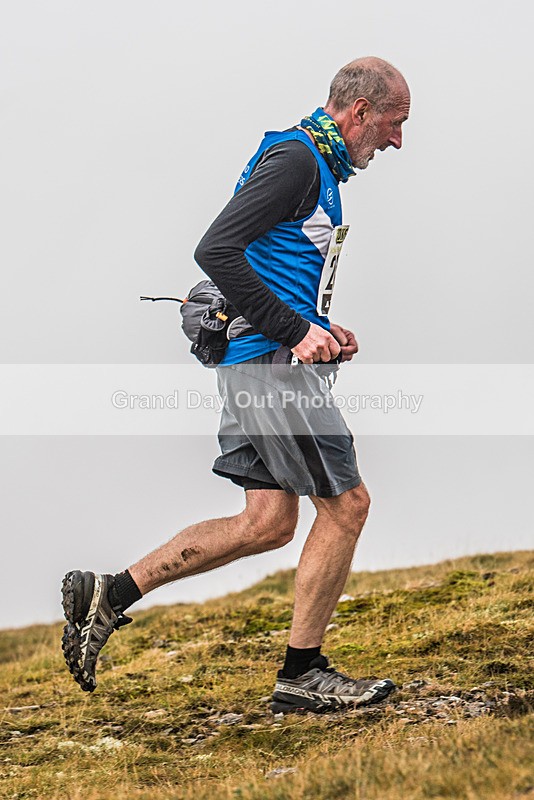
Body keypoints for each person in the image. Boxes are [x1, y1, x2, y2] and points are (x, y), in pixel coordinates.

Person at [61, 56, 411, 713]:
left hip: (252, 364)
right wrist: (294, 331)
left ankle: (108, 594)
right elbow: (216, 247)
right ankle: (302, 676)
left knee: (268, 520)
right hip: (270, 371)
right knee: (348, 505)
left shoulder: (309, 164)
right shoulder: (300, 161)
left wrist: (321, 327)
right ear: (359, 113)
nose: (397, 140)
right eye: (394, 124)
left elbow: (258, 262)